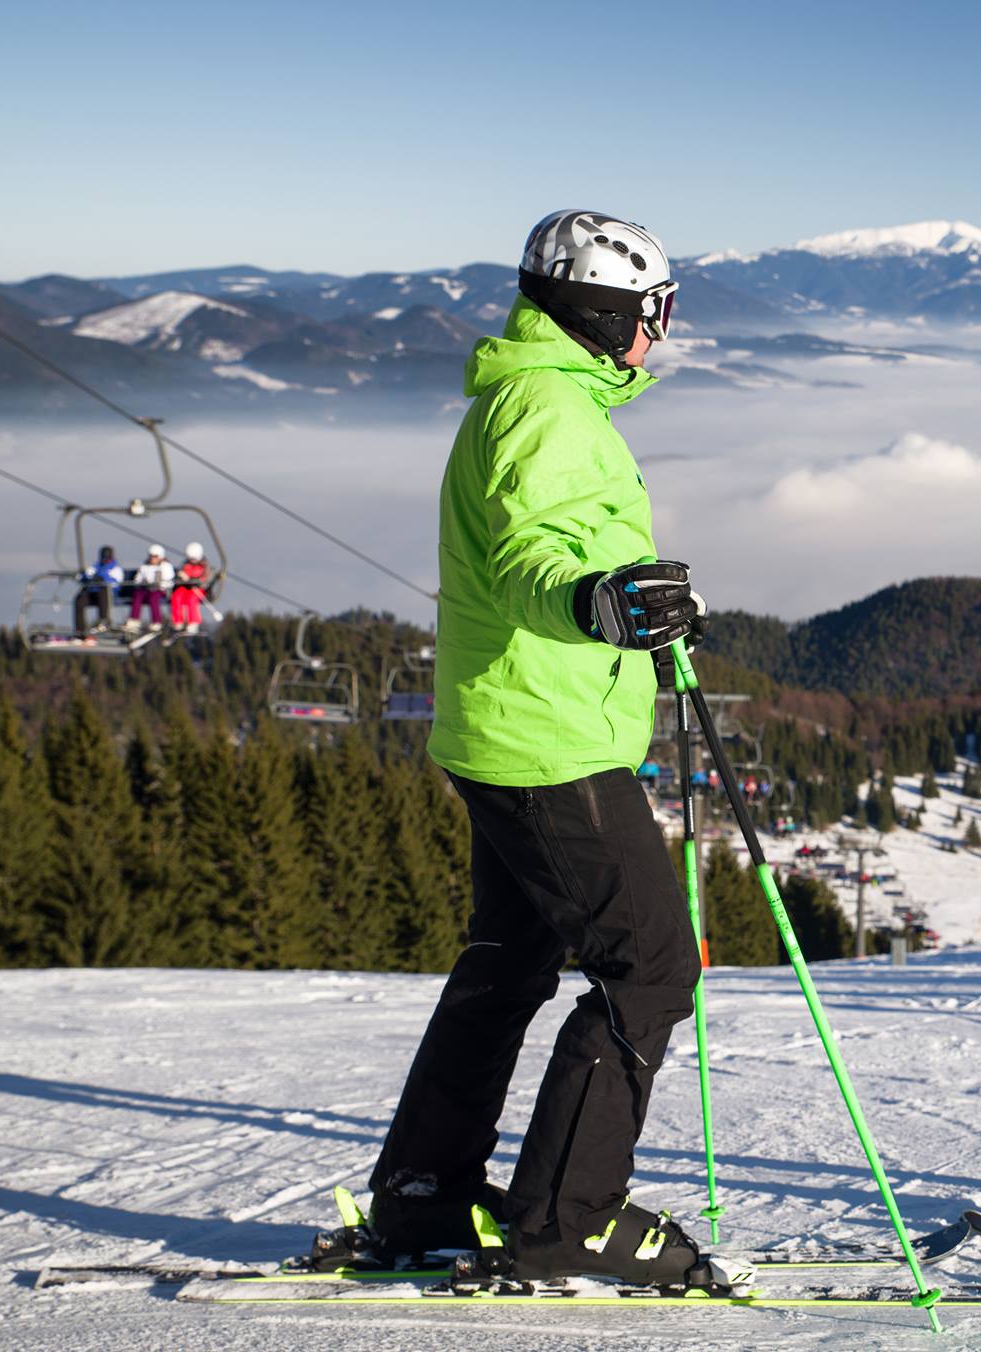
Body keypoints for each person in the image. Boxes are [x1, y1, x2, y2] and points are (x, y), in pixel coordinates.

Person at [365, 209, 711, 1289]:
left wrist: (626, 607)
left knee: (509, 957)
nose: (662, 330)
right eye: (656, 311)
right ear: (608, 313)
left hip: (512, 722)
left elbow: (558, 543)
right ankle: (567, 1218)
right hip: (547, 741)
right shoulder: (548, 406)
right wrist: (594, 600)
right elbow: (531, 553)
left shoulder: (539, 395)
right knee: (649, 967)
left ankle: (424, 1189)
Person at [124, 544, 173, 634]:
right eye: (151, 556)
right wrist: (142, 582)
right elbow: (137, 579)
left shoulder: (166, 566)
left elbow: (168, 580)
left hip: (159, 590)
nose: (152, 558)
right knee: (137, 594)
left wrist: (158, 584)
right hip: (146, 589)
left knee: (154, 597)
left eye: (155, 556)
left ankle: (156, 621)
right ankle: (134, 620)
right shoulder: (145, 567)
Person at [73, 545, 123, 632]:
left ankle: (103, 622)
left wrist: (103, 578)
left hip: (108, 595)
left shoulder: (116, 569)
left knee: (103, 590)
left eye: (107, 558)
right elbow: (85, 576)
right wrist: (84, 575)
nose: (105, 560)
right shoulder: (95, 567)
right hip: (92, 593)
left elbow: (116, 584)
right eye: (104, 557)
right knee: (79, 599)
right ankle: (80, 629)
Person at [170, 541, 212, 634]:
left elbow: (206, 580)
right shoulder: (185, 564)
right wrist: (180, 576)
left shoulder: (204, 565)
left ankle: (193, 622)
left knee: (191, 599)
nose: (192, 561)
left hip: (197, 589)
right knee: (177, 596)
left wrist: (195, 581)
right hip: (185, 587)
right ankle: (178, 621)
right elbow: (179, 575)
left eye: (194, 559)